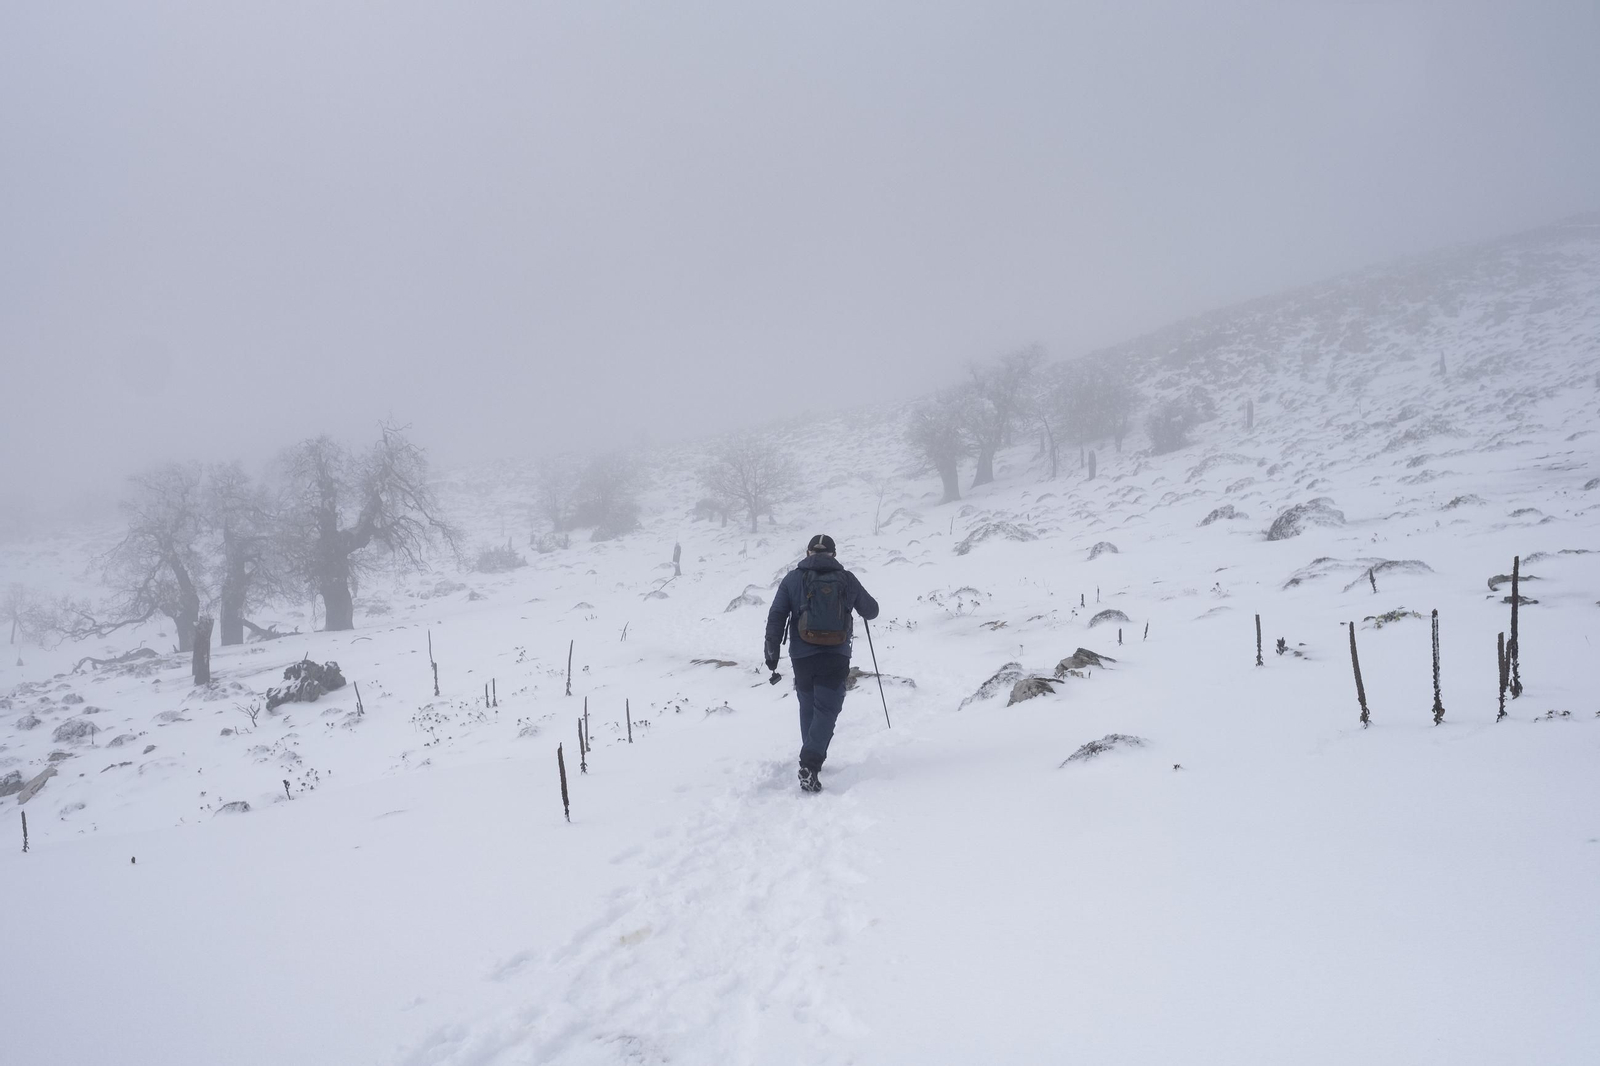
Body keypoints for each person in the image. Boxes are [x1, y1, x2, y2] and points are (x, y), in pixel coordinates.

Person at [764, 534, 880, 792]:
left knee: (808, 704)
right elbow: (871, 611)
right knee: (827, 708)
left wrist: (771, 649)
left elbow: (776, 615)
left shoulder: (793, 579)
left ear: (808, 552)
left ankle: (810, 753)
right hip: (836, 652)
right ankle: (811, 762)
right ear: (834, 554)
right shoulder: (847, 578)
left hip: (802, 654)